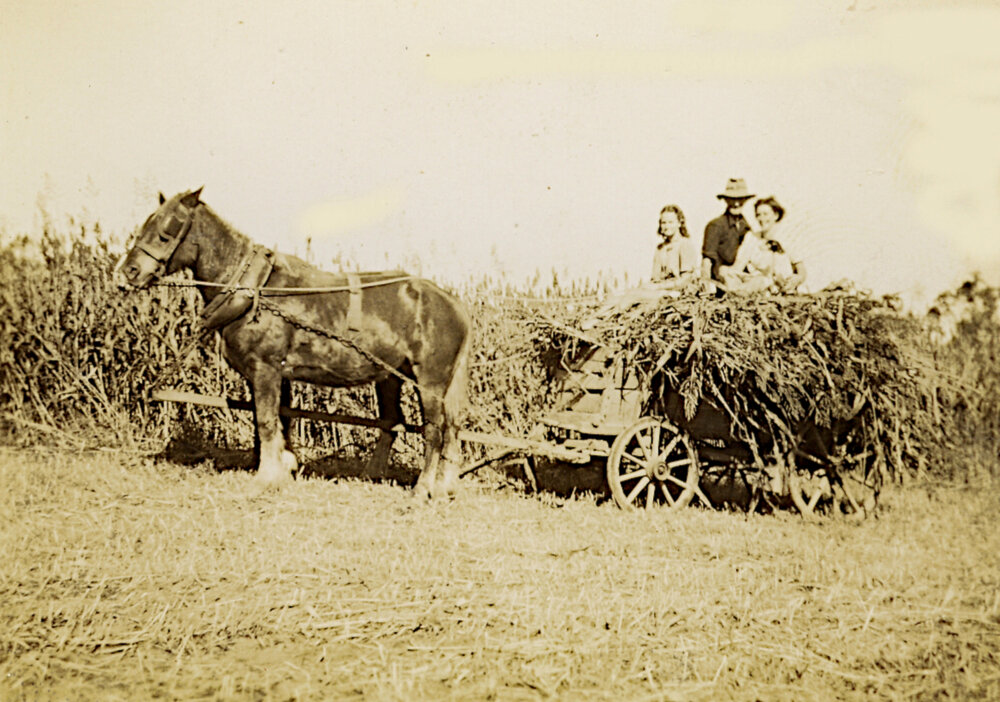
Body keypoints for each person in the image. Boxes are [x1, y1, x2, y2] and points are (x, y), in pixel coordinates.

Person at [723, 196, 806, 293]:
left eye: (765, 214)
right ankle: (738, 291)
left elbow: (801, 270)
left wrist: (798, 279)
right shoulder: (751, 237)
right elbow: (739, 265)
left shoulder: (786, 238)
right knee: (724, 270)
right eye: (758, 215)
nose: (761, 218)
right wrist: (728, 273)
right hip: (753, 280)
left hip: (778, 284)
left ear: (776, 215)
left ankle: (737, 292)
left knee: (760, 281)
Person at [701, 178, 754, 283]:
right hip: (721, 280)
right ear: (725, 200)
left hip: (742, 277)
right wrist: (706, 282)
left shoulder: (746, 227)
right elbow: (707, 259)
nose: (736, 204)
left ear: (745, 200)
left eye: (740, 199)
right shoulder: (716, 226)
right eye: (732, 199)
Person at [651, 204, 699, 282]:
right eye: (664, 223)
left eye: (670, 222)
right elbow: (655, 277)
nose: (667, 226)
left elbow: (686, 280)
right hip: (661, 289)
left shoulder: (685, 244)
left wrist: (661, 287)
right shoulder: (660, 248)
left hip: (680, 291)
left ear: (679, 223)